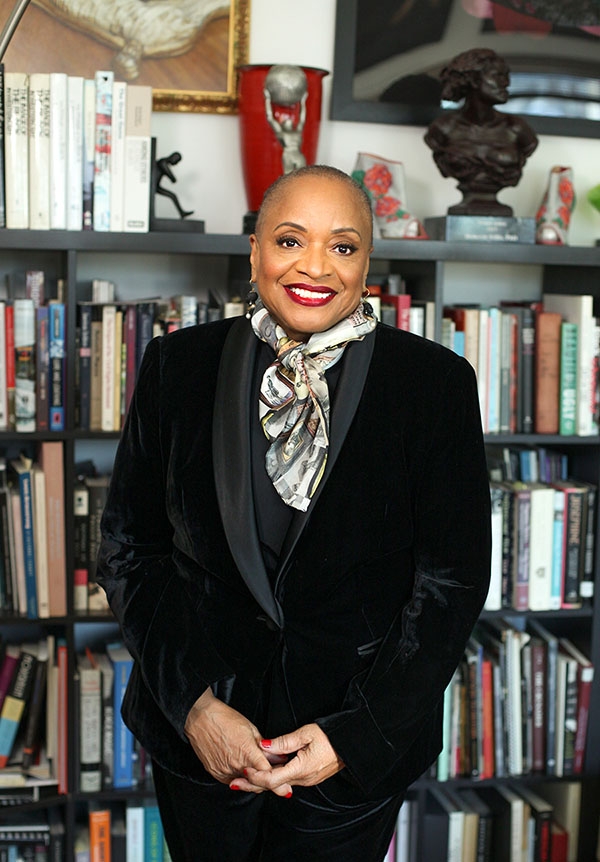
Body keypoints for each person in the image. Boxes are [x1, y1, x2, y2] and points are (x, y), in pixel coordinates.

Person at [97, 164, 491, 861]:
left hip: (351, 756)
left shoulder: (434, 384)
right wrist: (195, 707)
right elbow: (132, 551)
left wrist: (354, 735)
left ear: (368, 261)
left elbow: (452, 583)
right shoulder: (175, 365)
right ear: (254, 252)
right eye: (290, 240)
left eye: (343, 246)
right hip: (202, 748)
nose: (316, 266)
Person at [424, 48, 538, 215]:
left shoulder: (518, 129)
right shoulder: (443, 129)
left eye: (506, 76)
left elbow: (529, 146)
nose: (506, 83)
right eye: (497, 76)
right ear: (474, 80)